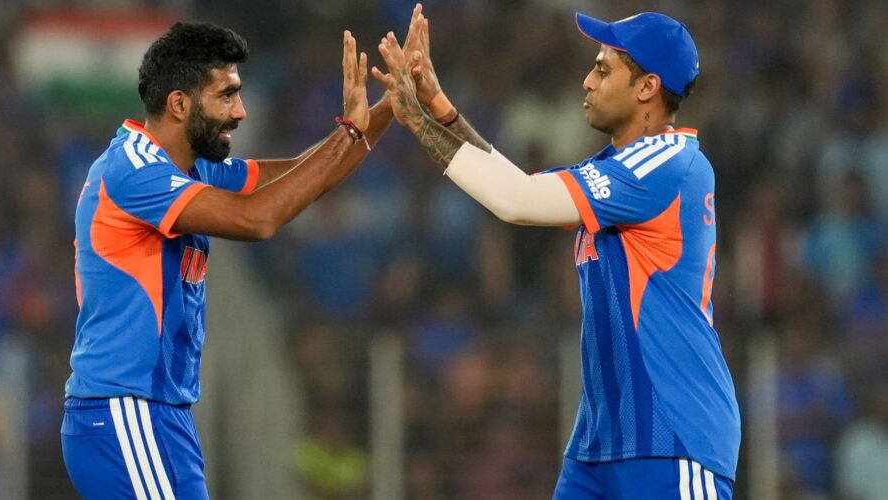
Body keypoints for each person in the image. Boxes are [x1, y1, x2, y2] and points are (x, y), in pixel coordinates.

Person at [373, 7, 741, 499]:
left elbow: (516, 201)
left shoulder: (668, 166)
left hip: (671, 437)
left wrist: (416, 121)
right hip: (599, 443)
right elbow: (516, 185)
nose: (587, 81)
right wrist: (439, 107)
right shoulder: (621, 167)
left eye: (603, 69)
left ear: (647, 87)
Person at [61, 21, 393, 499]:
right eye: (227, 96)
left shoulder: (193, 169)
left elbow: (303, 177)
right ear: (180, 104)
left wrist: (392, 108)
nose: (241, 111)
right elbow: (258, 219)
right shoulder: (132, 168)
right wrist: (351, 132)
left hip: (163, 416)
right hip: (123, 411)